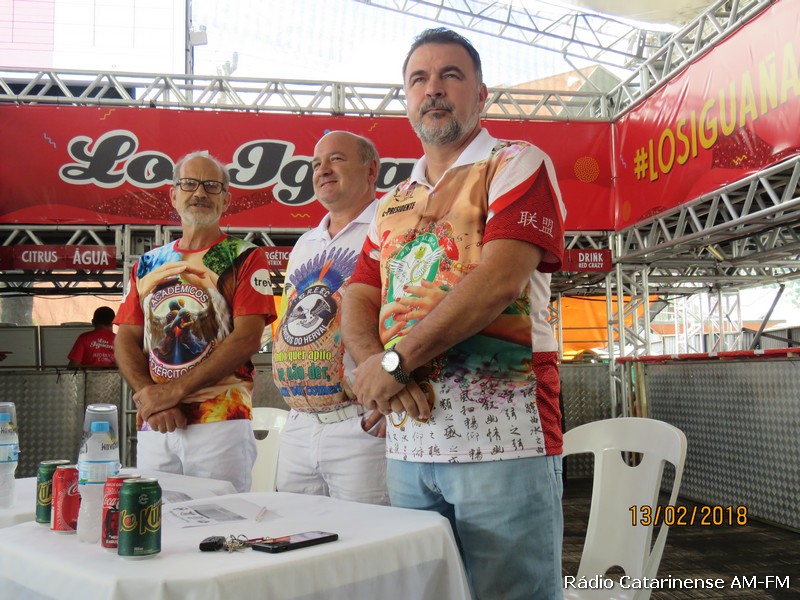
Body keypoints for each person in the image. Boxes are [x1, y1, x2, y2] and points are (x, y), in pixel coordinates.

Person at [341, 28, 567, 599]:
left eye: (451, 76)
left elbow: (499, 281)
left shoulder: (514, 162)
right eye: (419, 79)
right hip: (409, 444)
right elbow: (359, 295)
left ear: (481, 94)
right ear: (406, 99)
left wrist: (393, 364)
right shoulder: (392, 202)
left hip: (505, 438)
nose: (433, 89)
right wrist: (377, 369)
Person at [114, 151, 276, 492]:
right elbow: (126, 337)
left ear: (226, 200)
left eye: (211, 186)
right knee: (155, 519)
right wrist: (149, 396)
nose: (200, 193)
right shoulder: (148, 263)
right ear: (173, 195)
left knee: (221, 519)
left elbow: (248, 338)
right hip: (156, 423)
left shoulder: (244, 256)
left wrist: (171, 392)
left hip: (220, 420)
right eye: (189, 184)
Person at [271, 131, 388, 504]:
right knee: (298, 534)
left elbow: (414, 314)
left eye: (336, 159)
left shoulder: (389, 227)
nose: (322, 170)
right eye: (316, 164)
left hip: (361, 423)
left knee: (365, 536)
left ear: (371, 171)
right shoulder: (305, 243)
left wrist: (396, 400)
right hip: (298, 424)